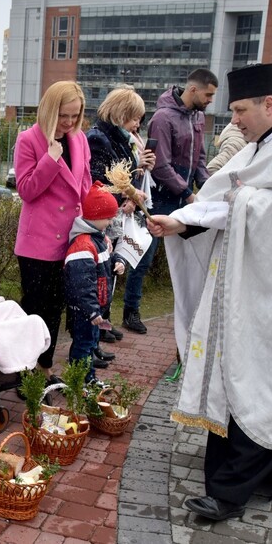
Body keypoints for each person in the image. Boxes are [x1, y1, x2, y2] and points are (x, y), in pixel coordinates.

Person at [148, 63, 272, 521]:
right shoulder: (265, 144)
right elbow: (223, 193)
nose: (233, 119)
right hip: (252, 284)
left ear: (268, 104)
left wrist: (238, 202)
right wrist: (183, 221)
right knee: (247, 372)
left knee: (262, 379)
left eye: (239, 110)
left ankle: (229, 493)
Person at [126, 68, 218, 335]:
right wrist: (187, 193)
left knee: (192, 253)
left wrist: (208, 187)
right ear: (193, 90)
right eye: (208, 94)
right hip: (162, 198)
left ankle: (190, 310)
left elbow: (199, 159)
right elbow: (161, 164)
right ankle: (131, 310)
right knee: (144, 255)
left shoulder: (198, 117)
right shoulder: (163, 118)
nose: (211, 100)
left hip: (185, 195)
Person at [13, 81, 92, 383]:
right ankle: (25, 371)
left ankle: (44, 367)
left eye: (75, 115)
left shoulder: (80, 139)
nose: (70, 122)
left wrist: (93, 226)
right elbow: (26, 190)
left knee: (55, 308)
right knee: (34, 310)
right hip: (37, 245)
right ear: (50, 110)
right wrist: (50, 158)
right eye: (64, 115)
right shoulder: (28, 139)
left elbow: (83, 187)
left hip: (70, 240)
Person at [86, 87, 154, 349]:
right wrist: (127, 193)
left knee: (110, 273)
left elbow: (123, 175)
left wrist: (129, 192)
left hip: (117, 212)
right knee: (100, 275)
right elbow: (99, 179)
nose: (138, 123)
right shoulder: (100, 138)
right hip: (103, 216)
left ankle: (103, 323)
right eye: (134, 117)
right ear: (121, 112)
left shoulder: (123, 138)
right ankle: (95, 333)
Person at [64, 183, 125, 383]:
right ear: (96, 216)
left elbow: (109, 255)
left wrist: (118, 260)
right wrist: (92, 310)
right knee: (84, 345)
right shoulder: (83, 245)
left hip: (93, 308)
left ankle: (86, 378)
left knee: (89, 343)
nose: (110, 221)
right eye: (108, 218)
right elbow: (81, 284)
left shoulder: (98, 239)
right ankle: (81, 381)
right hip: (85, 310)